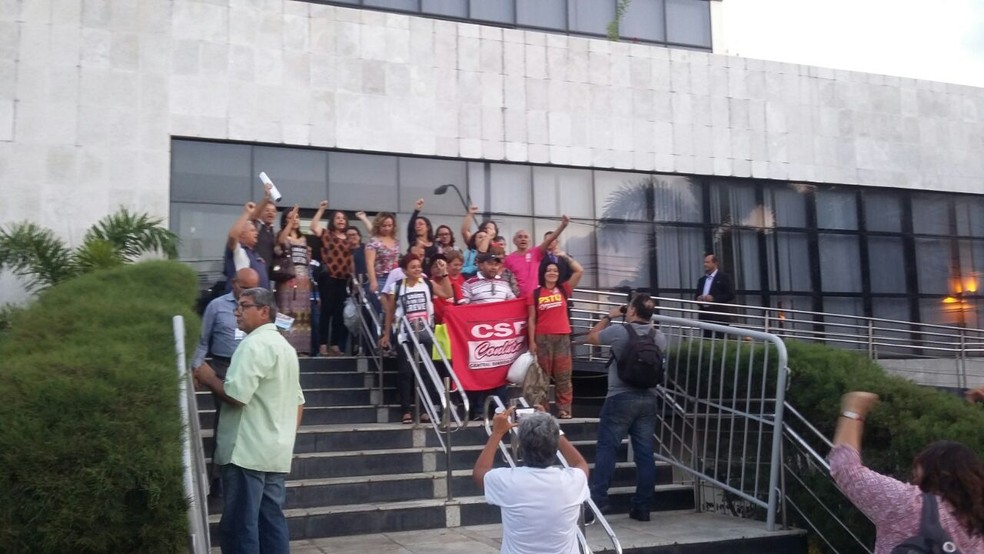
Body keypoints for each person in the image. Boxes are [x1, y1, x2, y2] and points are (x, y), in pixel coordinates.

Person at [193, 288, 305, 554]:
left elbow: (236, 395)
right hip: (274, 451)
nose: (237, 312)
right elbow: (299, 402)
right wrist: (284, 436)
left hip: (246, 452)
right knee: (271, 523)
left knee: (239, 527)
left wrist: (208, 377)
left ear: (264, 311)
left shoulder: (253, 344)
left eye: (244, 306)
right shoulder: (285, 347)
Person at [828, 391, 984, 553]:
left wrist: (853, 410)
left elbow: (846, 469)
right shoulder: (977, 519)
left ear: (928, 470)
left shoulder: (908, 502)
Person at [585, 293, 667, 522]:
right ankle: (642, 508)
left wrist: (608, 316)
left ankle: (598, 502)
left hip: (619, 398)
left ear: (631, 311)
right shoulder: (659, 337)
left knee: (607, 450)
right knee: (644, 454)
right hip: (649, 399)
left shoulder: (619, 332)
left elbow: (591, 338)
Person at [473, 408, 589, 554]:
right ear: (555, 447)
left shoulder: (509, 481)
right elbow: (580, 464)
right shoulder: (572, 480)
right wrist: (553, 430)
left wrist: (497, 433)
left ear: (521, 447)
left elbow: (480, 472)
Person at [192, 267, 260, 492]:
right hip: (223, 366)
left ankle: (244, 471)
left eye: (254, 287)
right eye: (245, 287)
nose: (249, 292)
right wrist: (196, 368)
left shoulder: (260, 307)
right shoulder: (217, 306)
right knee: (226, 417)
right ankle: (219, 477)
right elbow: (203, 339)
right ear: (234, 283)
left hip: (251, 366)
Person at [379, 253, 437, 425]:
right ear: (404, 270)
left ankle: (425, 410)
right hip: (404, 334)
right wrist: (387, 334)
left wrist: (443, 274)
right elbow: (390, 312)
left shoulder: (426, 283)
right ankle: (406, 410)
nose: (417, 269)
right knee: (405, 372)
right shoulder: (397, 287)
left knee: (426, 371)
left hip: (425, 333)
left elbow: (448, 293)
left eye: (419, 266)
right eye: (413, 267)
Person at [528, 259, 583, 419]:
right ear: (543, 273)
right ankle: (542, 410)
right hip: (542, 338)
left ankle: (564, 409)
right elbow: (531, 319)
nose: (552, 273)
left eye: (556, 271)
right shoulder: (535, 293)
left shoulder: (564, 289)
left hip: (562, 337)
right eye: (549, 270)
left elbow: (579, 271)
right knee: (541, 377)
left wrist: (563, 256)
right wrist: (531, 341)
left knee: (564, 376)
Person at [310, 201, 352, 357]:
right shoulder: (327, 234)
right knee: (326, 311)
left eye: (343, 218)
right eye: (337, 218)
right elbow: (313, 227)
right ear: (333, 221)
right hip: (328, 277)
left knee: (339, 312)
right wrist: (321, 209)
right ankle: (322, 344)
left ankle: (334, 344)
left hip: (343, 278)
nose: (341, 220)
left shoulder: (348, 239)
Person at [275, 206, 312, 355]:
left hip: (303, 280)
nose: (295, 219)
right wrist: (289, 224)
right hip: (287, 279)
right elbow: (281, 242)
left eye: (297, 217)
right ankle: (283, 347)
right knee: (286, 311)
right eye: (291, 217)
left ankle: (301, 349)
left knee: (302, 314)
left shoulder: (304, 238)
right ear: (285, 220)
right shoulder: (282, 235)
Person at [504, 216, 570, 298]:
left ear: (529, 241)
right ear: (514, 241)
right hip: (517, 299)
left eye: (525, 237)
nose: (523, 239)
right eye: (520, 237)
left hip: (535, 298)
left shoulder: (535, 253)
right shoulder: (509, 259)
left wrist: (563, 225)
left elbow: (549, 240)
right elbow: (505, 279)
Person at [224, 201, 270, 292]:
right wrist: (246, 213)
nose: (256, 233)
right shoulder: (238, 250)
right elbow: (233, 236)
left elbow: (255, 217)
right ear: (242, 235)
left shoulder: (254, 253)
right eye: (252, 230)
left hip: (259, 301)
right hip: (242, 301)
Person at [694, 253, 736, 336]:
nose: (705, 264)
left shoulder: (724, 277)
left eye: (708, 262)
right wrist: (698, 298)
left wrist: (714, 299)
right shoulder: (702, 280)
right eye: (704, 262)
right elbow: (696, 295)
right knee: (706, 339)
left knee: (720, 339)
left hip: (719, 315)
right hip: (705, 315)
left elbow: (730, 294)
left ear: (715, 263)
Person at [407, 198, 439, 266]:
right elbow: (410, 228)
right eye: (416, 225)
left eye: (421, 224)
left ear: (428, 227)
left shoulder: (434, 244)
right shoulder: (413, 241)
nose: (417, 226)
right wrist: (416, 211)